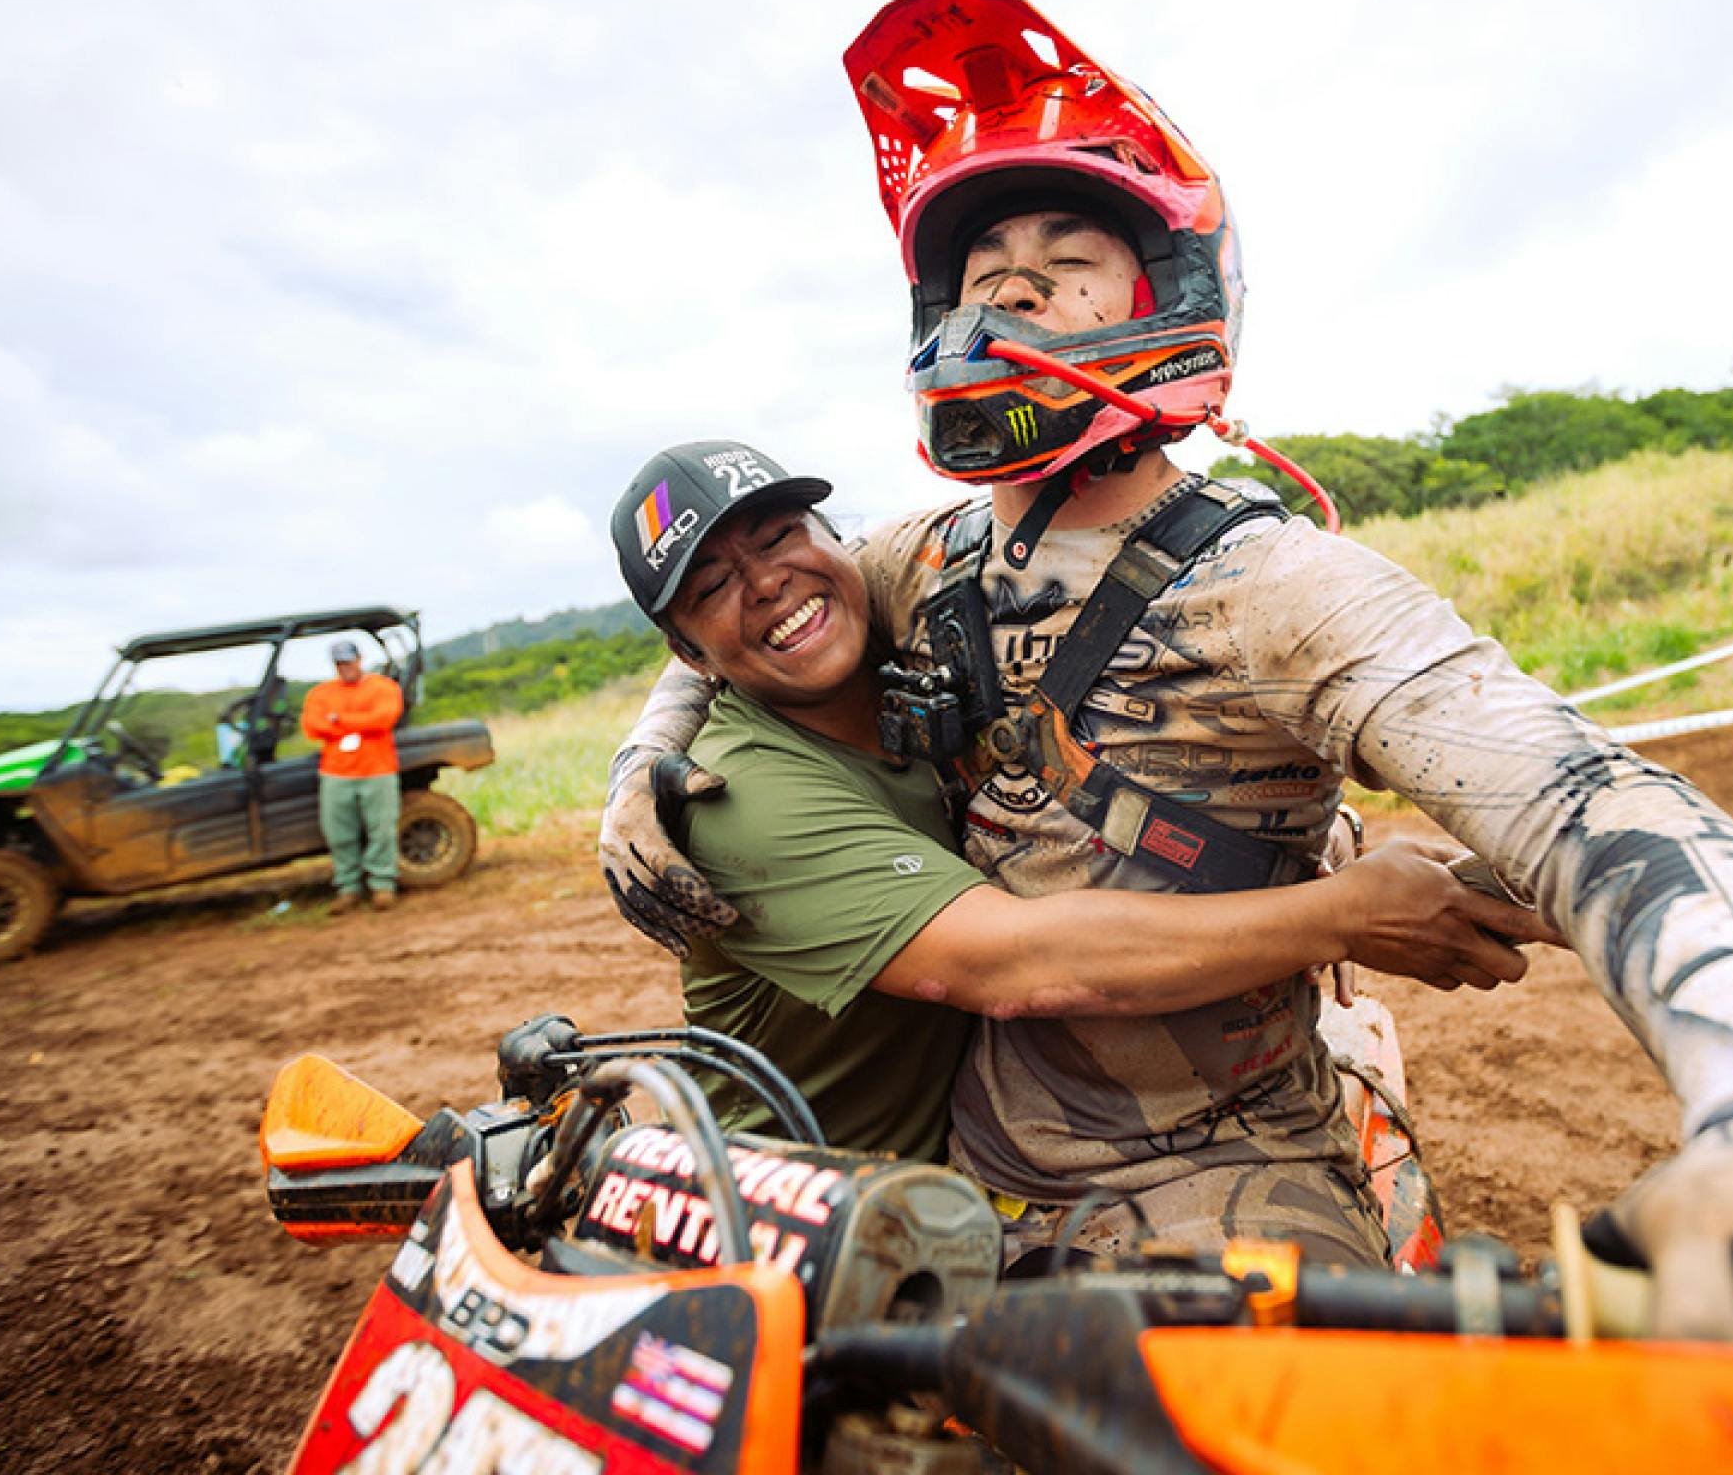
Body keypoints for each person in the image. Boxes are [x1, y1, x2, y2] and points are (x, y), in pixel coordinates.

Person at [601, 0, 1733, 1436]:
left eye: (1060, 263)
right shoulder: (938, 548)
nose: (1004, 292)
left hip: (1215, 1184)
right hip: (972, 1168)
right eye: (978, 273)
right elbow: (753, 604)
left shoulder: (1277, 586)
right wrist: (642, 757)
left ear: (1168, 295)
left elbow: (1591, 801)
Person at [606, 437, 1552, 1206]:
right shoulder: (734, 800)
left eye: (777, 538)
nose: (766, 583)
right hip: (836, 1216)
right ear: (687, 648)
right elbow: (1019, 963)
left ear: (834, 538)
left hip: (985, 1136)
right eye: (711, 587)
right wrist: (1341, 915)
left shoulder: (904, 625)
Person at [303, 637, 404, 914]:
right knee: (339, 833)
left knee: (381, 829)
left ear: (359, 659)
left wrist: (339, 720)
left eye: (349, 661)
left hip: (377, 769)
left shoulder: (382, 687)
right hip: (336, 772)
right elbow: (313, 726)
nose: (345, 667)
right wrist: (360, 724)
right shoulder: (321, 694)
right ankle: (349, 888)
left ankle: (383, 885)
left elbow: (383, 718)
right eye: (339, 663)